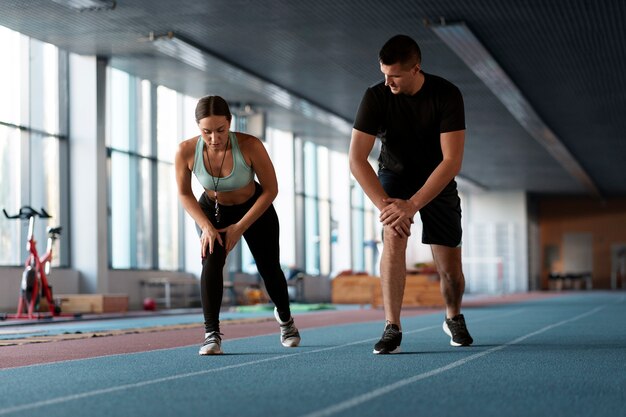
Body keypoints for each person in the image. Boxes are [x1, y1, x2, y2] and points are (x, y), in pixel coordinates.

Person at [349, 34, 473, 354]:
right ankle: (392, 325)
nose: (387, 81)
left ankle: (453, 315)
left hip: (438, 179)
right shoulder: (376, 97)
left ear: (416, 69)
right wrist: (387, 206)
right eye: (383, 74)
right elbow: (356, 158)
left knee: (451, 271)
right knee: (393, 232)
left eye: (395, 76)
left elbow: (452, 161)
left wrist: (414, 205)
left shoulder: (447, 95)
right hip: (395, 175)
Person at [175, 95, 300, 355]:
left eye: (220, 130)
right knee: (211, 259)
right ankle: (211, 334)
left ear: (230, 123)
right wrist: (206, 227)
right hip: (213, 210)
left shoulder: (250, 145)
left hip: (254, 207)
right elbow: (185, 194)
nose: (214, 138)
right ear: (198, 128)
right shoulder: (186, 151)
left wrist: (240, 227)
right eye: (206, 132)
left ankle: (286, 320)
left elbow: (271, 189)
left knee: (269, 268)